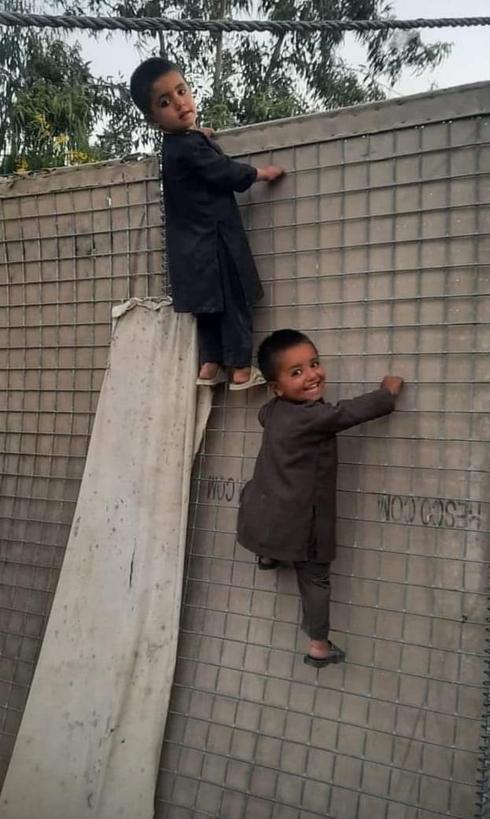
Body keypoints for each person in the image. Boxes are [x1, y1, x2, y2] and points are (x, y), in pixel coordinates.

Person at [237, 329, 404, 668]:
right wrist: (386, 393)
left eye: (314, 364)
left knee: (258, 501)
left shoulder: (273, 411)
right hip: (302, 521)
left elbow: (262, 415)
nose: (312, 375)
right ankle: (318, 645)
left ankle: (267, 555)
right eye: (297, 372)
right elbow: (348, 412)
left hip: (262, 511)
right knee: (315, 577)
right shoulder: (313, 417)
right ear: (278, 387)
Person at [129, 57, 285, 389]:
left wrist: (201, 136)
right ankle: (240, 369)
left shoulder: (175, 146)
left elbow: (193, 153)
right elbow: (222, 171)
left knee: (207, 307)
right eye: (165, 102)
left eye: (181, 91)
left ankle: (209, 366)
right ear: (153, 119)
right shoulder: (189, 147)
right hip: (215, 241)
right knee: (233, 300)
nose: (179, 103)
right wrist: (260, 173)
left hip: (190, 247)